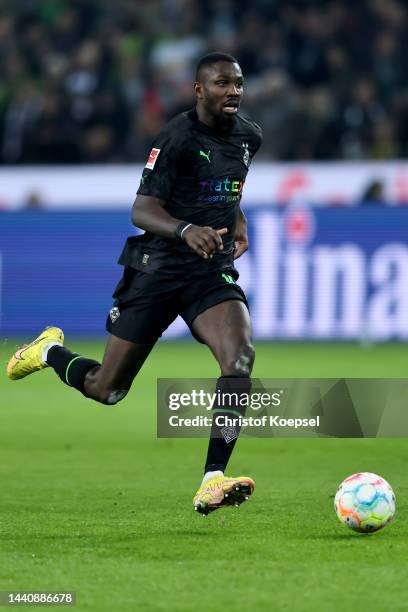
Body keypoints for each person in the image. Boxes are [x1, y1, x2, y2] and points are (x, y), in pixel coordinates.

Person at [7, 52, 263, 516]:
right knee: (108, 389)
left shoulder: (249, 136)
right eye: (223, 84)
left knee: (239, 358)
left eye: (239, 84)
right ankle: (48, 351)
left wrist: (237, 220)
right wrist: (186, 230)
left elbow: (231, 186)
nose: (234, 92)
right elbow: (142, 210)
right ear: (199, 90)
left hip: (209, 271)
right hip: (158, 270)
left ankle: (213, 478)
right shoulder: (177, 137)